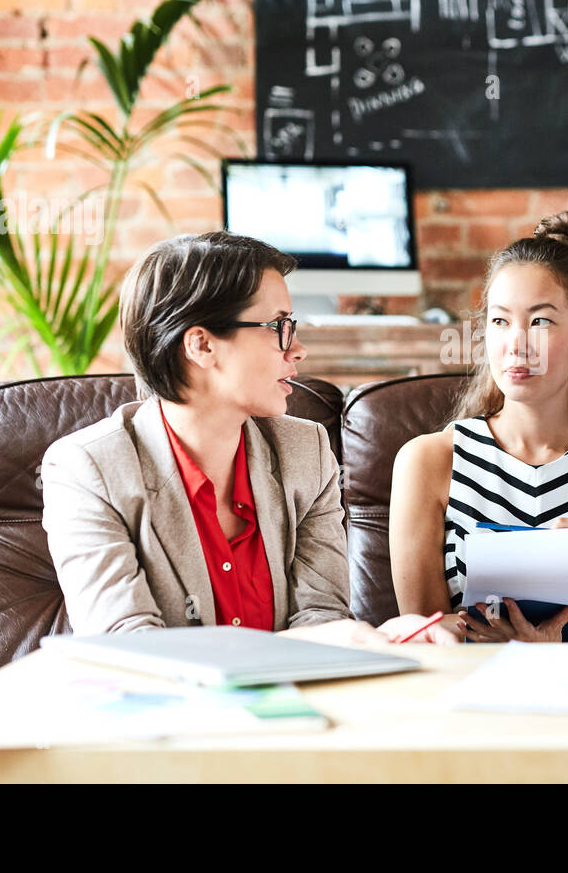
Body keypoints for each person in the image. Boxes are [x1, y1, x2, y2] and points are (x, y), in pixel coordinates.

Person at [41, 230, 453, 646]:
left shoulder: (305, 453)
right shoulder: (88, 469)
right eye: (279, 326)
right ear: (201, 345)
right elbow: (128, 648)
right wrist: (319, 644)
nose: (298, 349)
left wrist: (367, 637)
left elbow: (320, 615)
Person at [390, 212, 568, 642]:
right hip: (467, 697)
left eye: (540, 320)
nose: (516, 344)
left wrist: (550, 648)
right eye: (500, 321)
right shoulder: (429, 461)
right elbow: (427, 640)